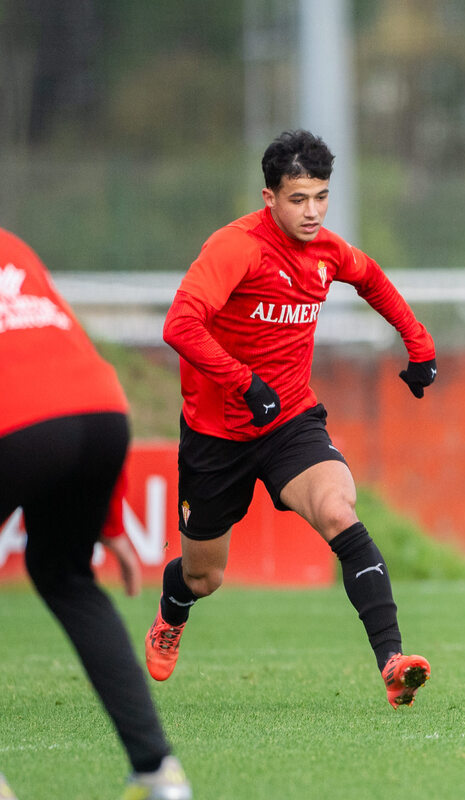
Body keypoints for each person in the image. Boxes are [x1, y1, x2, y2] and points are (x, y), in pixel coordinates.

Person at [144, 129, 437, 709]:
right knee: (205, 576)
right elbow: (179, 325)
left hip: (290, 422)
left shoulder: (327, 252)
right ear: (269, 196)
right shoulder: (237, 248)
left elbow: (372, 279)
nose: (312, 212)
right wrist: (243, 382)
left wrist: (419, 346)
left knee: (337, 509)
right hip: (216, 433)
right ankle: (172, 611)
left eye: (321, 197)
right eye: (298, 199)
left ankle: (393, 662)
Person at [0, 226, 191, 799]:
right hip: (101, 413)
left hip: (17, 421)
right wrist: (110, 525)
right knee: (64, 576)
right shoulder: (11, 244)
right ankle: (159, 772)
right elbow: (66, 349)